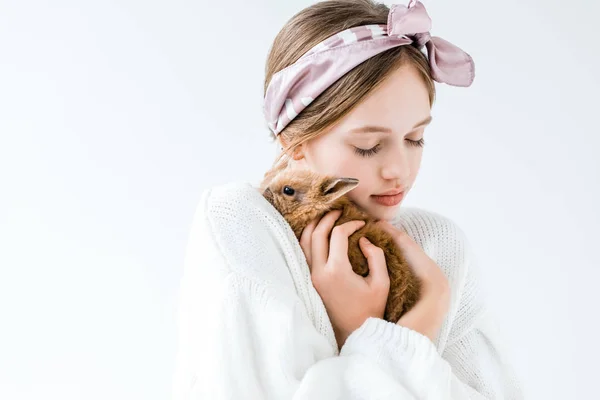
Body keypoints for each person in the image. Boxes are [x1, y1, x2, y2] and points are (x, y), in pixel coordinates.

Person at [171, 0, 524, 399]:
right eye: (369, 146)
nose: (399, 170)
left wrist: (434, 298)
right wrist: (402, 327)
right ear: (294, 140)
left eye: (415, 139)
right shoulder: (240, 223)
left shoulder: (439, 246)